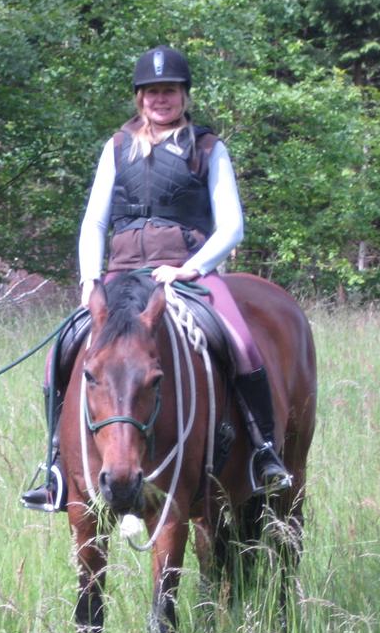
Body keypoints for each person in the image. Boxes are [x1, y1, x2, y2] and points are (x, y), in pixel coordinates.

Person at [21, 45, 291, 512]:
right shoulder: (117, 147)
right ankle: (57, 469)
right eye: (151, 92)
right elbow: (94, 222)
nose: (160, 99)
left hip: (186, 275)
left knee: (242, 344)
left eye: (169, 91)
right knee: (62, 352)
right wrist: (89, 280)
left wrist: (192, 266)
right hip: (122, 276)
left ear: (184, 96)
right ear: (139, 98)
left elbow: (232, 226)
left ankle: (263, 452)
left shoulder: (208, 148)